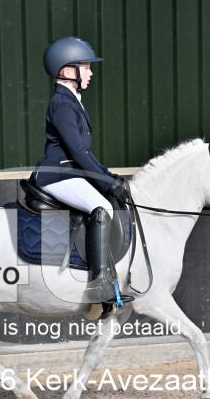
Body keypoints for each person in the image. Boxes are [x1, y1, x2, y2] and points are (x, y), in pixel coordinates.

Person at [29, 36, 133, 308]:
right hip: (57, 175)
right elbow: (77, 151)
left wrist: (107, 177)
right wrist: (106, 183)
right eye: (85, 67)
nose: (91, 72)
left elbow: (84, 153)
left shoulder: (71, 100)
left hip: (70, 172)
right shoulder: (62, 104)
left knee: (107, 199)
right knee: (101, 206)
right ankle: (98, 284)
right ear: (67, 70)